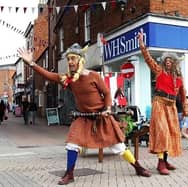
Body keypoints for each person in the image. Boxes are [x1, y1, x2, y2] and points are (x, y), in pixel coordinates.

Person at [18, 43, 151, 185]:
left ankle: (138, 167)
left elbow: (106, 93)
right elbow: (50, 75)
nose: (70, 62)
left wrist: (107, 108)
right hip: (83, 118)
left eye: (73, 58)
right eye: (68, 59)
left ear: (81, 60)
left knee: (119, 147)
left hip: (101, 117)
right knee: (72, 144)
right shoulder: (69, 79)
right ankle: (69, 174)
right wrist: (32, 63)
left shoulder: (93, 76)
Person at [138, 29, 188, 175]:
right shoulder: (159, 71)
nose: (168, 63)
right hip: (159, 104)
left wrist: (185, 110)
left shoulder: (179, 78)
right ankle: (160, 164)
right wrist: (142, 43)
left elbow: (183, 94)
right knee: (162, 132)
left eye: (170, 61)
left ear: (174, 63)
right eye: (166, 61)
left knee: (172, 132)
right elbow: (148, 58)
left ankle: (165, 160)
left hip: (171, 106)